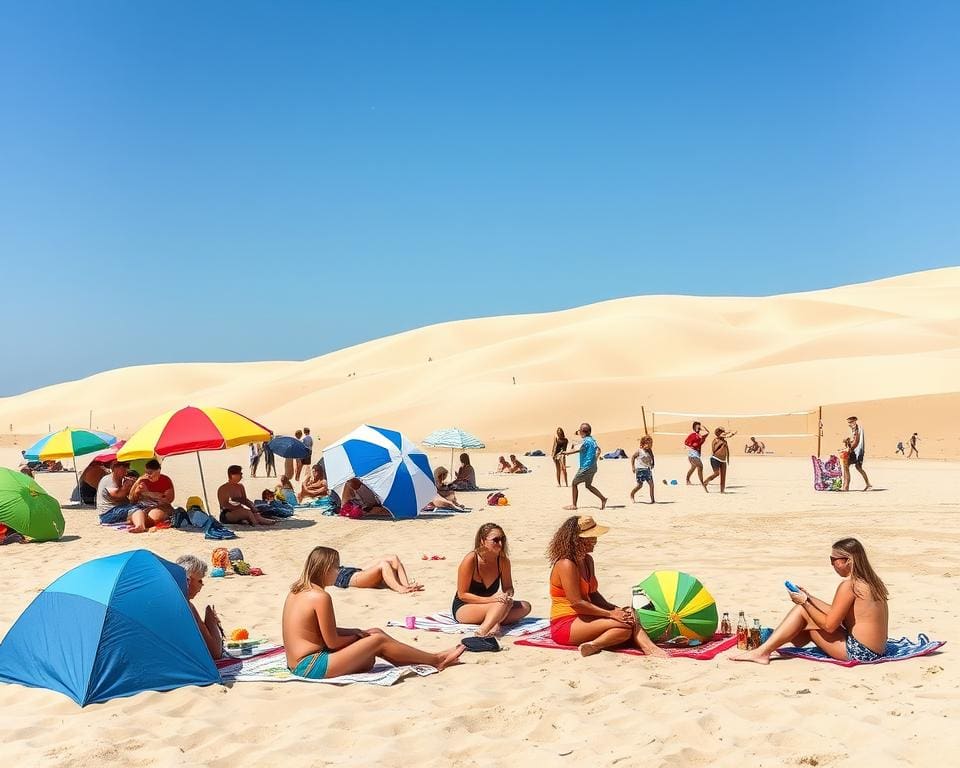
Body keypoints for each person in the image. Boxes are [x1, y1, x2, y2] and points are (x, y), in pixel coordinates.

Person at [282, 546, 465, 679]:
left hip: (297, 662)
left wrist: (354, 631)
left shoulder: (297, 591)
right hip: (310, 665)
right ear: (324, 569)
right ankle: (436, 659)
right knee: (377, 640)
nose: (338, 572)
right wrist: (359, 638)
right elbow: (332, 641)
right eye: (336, 568)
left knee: (374, 633)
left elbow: (314, 630)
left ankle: (422, 659)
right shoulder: (320, 597)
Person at [731, 537, 889, 664]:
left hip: (861, 652)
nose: (832, 564)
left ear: (847, 560)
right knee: (807, 612)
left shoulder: (849, 585)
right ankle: (778, 639)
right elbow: (837, 611)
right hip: (877, 650)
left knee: (803, 612)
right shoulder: (871, 581)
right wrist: (809, 597)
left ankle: (763, 651)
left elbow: (829, 626)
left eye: (833, 559)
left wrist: (804, 603)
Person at [547, 516, 665, 657]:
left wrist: (615, 609)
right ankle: (647, 646)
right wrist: (610, 614)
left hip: (585, 617)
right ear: (578, 540)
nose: (595, 541)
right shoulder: (566, 564)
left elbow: (594, 594)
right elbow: (577, 603)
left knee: (629, 618)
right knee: (625, 625)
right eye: (591, 537)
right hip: (566, 622)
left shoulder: (587, 560)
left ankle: (593, 644)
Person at [452, 523, 532, 636]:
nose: (500, 544)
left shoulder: (503, 561)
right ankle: (483, 631)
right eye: (496, 540)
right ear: (482, 541)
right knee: (501, 604)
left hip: (494, 605)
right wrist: (493, 600)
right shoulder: (471, 559)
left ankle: (494, 621)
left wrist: (507, 594)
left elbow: (508, 587)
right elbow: (462, 595)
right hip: (465, 606)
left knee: (525, 606)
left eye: (502, 539)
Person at [176, 554, 224, 660]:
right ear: (188, 581)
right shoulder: (186, 606)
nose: (202, 585)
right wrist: (211, 620)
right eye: (200, 581)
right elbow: (215, 652)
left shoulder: (162, 599)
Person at [560, 423, 606, 510]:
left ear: (583, 432)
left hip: (586, 467)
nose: (579, 433)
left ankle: (574, 505)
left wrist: (567, 453)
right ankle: (603, 499)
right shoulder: (592, 440)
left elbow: (578, 449)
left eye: (580, 431)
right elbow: (598, 450)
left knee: (574, 483)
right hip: (593, 467)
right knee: (588, 485)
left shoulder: (585, 441)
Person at [332, 554, 424, 594]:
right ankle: (400, 588)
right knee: (384, 565)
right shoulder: (322, 570)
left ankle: (405, 584)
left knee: (393, 558)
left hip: (351, 570)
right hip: (347, 578)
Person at [97, 461, 145, 530]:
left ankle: (137, 521)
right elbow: (117, 495)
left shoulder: (120, 480)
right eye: (124, 466)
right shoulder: (108, 480)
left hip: (119, 508)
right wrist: (126, 487)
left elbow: (132, 498)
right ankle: (140, 526)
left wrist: (135, 487)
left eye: (127, 466)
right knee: (136, 510)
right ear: (114, 468)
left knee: (143, 507)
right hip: (108, 513)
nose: (127, 469)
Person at [703, 427, 737, 493]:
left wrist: (731, 433)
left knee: (723, 476)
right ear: (718, 433)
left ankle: (722, 490)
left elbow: (727, 436)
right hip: (715, 459)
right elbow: (714, 449)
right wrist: (729, 433)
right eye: (722, 432)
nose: (723, 433)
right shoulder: (716, 440)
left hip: (723, 460)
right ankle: (705, 482)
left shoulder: (724, 441)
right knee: (716, 473)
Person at [846, 416, 872, 491]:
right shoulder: (852, 430)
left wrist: (851, 448)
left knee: (858, 467)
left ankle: (868, 484)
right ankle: (846, 485)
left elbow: (857, 441)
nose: (849, 424)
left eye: (850, 422)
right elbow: (852, 440)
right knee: (846, 466)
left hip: (858, 451)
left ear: (854, 421)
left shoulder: (858, 429)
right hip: (853, 451)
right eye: (848, 422)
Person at [629, 435, 656, 504]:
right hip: (640, 470)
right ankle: (632, 495)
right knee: (639, 485)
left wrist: (653, 464)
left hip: (647, 470)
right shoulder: (639, 451)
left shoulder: (650, 451)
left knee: (651, 484)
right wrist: (633, 467)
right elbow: (633, 457)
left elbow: (652, 457)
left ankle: (652, 500)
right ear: (643, 444)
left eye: (651, 443)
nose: (650, 445)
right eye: (649, 444)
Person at [684, 421, 709, 489]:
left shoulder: (701, 436)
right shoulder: (692, 435)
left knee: (693, 467)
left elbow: (707, 433)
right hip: (692, 453)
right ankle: (702, 482)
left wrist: (702, 427)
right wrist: (692, 445)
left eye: (699, 427)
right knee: (700, 466)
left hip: (697, 453)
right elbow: (686, 442)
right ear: (694, 428)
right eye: (696, 427)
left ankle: (687, 480)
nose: (698, 428)